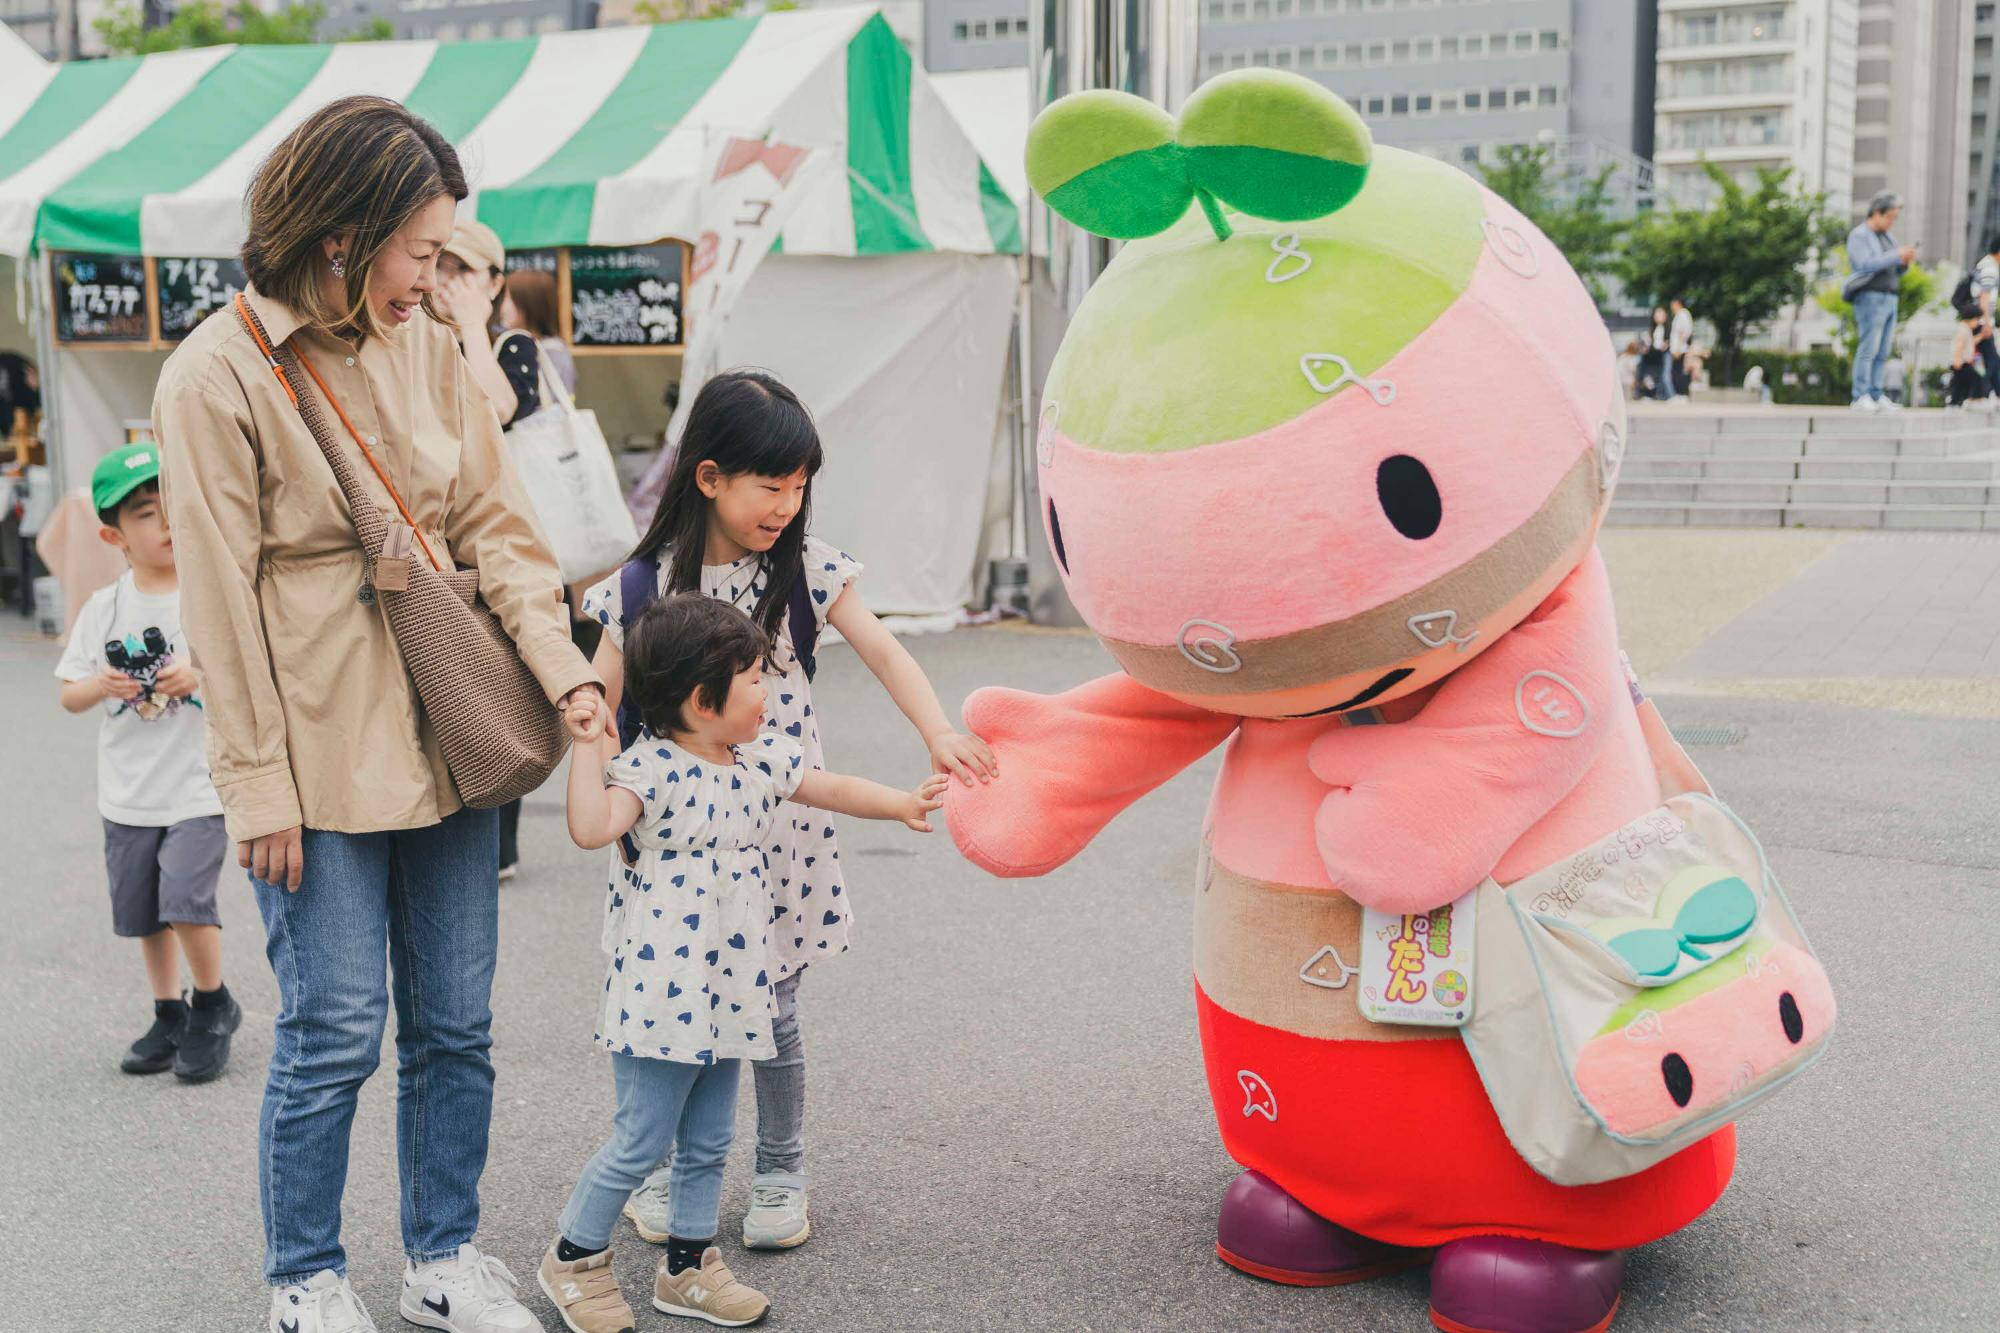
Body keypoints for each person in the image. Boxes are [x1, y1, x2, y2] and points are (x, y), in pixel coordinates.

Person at [153, 95, 602, 1333]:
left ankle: (443, 1258)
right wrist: (255, 788)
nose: (440, 275)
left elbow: (498, 528)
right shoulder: (215, 372)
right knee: (336, 1026)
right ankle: (305, 1273)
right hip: (315, 745)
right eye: (423, 250)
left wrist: (562, 667)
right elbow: (220, 604)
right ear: (343, 235)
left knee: (456, 1023)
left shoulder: (429, 345)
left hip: (448, 718)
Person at [579, 369, 995, 1255]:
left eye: (801, 485)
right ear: (709, 476)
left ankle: (780, 1168)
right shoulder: (641, 586)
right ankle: (658, 1163)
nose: (787, 503)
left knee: (772, 1011)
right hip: (673, 844)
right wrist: (610, 795)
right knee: (669, 1002)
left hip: (781, 833)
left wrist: (937, 732)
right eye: (771, 484)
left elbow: (884, 651)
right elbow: (593, 703)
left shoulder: (803, 570)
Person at [538, 593, 947, 1332]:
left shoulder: (757, 758)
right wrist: (586, 745)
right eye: (754, 677)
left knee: (709, 1137)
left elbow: (828, 787)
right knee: (642, 1137)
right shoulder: (650, 769)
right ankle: (573, 1257)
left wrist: (899, 803)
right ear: (702, 698)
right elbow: (592, 825)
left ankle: (688, 1266)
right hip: (663, 993)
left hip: (730, 986)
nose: (767, 690)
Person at [55, 444, 240, 1081]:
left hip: (198, 786)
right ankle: (169, 1011)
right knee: (143, 911)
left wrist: (202, 675)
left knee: (186, 896)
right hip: (129, 792)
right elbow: (69, 693)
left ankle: (213, 1004)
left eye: (171, 507)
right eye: (144, 513)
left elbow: (247, 676)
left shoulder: (209, 595)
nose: (165, 522)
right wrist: (100, 686)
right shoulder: (103, 608)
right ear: (114, 534)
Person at [433, 220, 552, 885]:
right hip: (441, 543)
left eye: (462, 269)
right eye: (437, 264)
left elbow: (498, 408)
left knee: (509, 677)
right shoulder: (412, 340)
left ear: (495, 281)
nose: (445, 280)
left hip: (505, 541)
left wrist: (474, 326)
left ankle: (499, 837)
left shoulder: (510, 345)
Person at [1844, 191, 1915, 413]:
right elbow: (1864, 264)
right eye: (1889, 217)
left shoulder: (1888, 237)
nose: (1892, 222)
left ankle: (1875, 394)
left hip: (1890, 296)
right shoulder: (1859, 235)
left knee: (1883, 350)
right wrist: (1895, 255)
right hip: (1870, 297)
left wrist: (1903, 262)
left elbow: (1894, 269)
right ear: (1876, 213)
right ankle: (1860, 395)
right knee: (1869, 348)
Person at [501, 269, 575, 399]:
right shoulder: (525, 345)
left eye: (508, 298)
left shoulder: (551, 352)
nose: (503, 306)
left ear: (528, 302)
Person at [1947, 312, 1991, 409]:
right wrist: (1957, 360)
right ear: (1970, 318)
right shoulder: (1963, 330)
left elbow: (1970, 342)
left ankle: (1956, 402)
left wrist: (1981, 336)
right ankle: (1974, 400)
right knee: (1976, 378)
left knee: (1960, 384)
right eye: (1976, 320)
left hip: (1964, 362)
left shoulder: (1966, 329)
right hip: (1961, 363)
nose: (1976, 323)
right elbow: (1959, 345)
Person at [1645, 307, 1676, 401]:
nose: (1658, 317)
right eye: (1656, 314)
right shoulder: (1653, 329)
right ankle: (1660, 395)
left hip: (1666, 354)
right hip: (1655, 355)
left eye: (1661, 314)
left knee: (1665, 375)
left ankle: (1672, 395)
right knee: (1657, 375)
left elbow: (1672, 340)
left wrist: (1666, 344)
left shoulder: (1669, 328)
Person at [1668, 297, 1695, 396]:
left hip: (1680, 349)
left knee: (1679, 372)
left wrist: (1678, 348)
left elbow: (1684, 333)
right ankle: (1679, 393)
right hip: (1677, 349)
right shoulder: (1679, 315)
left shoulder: (1683, 314)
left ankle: (1682, 394)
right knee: (1676, 372)